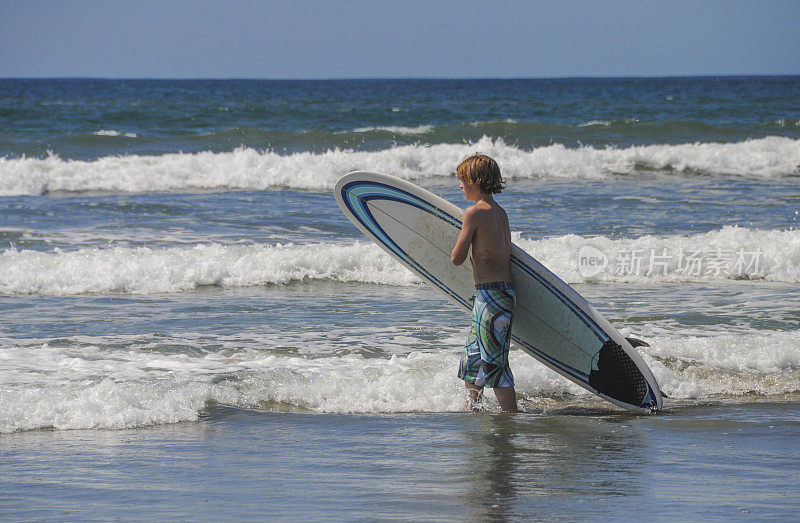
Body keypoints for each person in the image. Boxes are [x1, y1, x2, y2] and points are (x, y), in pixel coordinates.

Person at [451, 154, 518, 413]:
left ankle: (512, 417)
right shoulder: (501, 213)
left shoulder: (474, 213)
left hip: (491, 297)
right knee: (473, 357)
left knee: (495, 363)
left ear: (476, 181)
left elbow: (456, 258)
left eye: (462, 180)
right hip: (498, 294)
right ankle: (473, 409)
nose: (460, 186)